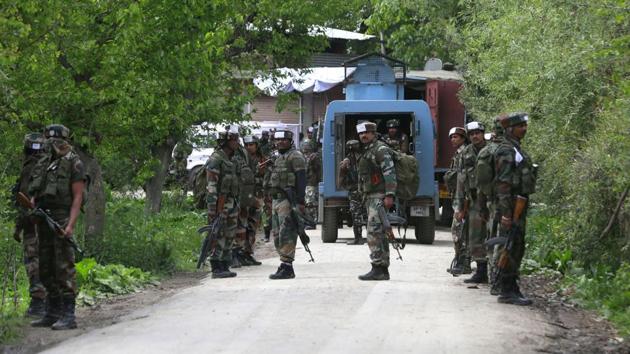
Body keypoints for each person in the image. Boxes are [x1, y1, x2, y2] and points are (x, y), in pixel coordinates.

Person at [29, 125, 86, 330]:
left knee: (63, 267)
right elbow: (36, 189)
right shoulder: (44, 162)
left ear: (66, 140)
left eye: (57, 140)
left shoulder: (74, 162)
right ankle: (51, 311)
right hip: (43, 217)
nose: (53, 144)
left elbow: (78, 196)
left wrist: (70, 225)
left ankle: (68, 315)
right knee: (45, 266)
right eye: (49, 140)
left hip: (61, 217)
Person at [494, 113, 537, 305]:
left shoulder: (516, 148)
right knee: (510, 246)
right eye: (521, 126)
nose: (525, 129)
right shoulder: (506, 150)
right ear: (510, 129)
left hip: (519, 203)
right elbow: (503, 184)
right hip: (511, 205)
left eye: (526, 125)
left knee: (517, 246)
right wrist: (506, 213)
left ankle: (512, 286)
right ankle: (506, 288)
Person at [356, 122, 397, 281]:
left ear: (374, 133)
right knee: (379, 233)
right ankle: (382, 269)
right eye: (361, 134)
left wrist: (390, 195)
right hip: (371, 196)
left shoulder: (380, 149)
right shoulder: (368, 150)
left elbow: (389, 172)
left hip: (379, 196)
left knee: (373, 232)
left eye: (367, 133)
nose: (363, 136)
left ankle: (377, 266)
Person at [13, 133, 47, 317]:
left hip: (33, 221)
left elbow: (24, 200)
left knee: (33, 260)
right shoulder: (50, 165)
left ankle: (38, 303)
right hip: (49, 220)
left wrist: (18, 226)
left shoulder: (31, 167)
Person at [268, 130, 306, 279]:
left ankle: (287, 267)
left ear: (290, 141)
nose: (280, 142)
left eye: (284, 139)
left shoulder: (295, 156)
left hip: (288, 200)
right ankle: (283, 264)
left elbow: (301, 179)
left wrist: (300, 201)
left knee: (287, 233)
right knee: (277, 234)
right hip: (276, 200)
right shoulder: (279, 158)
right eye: (278, 140)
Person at [204, 125, 241, 279]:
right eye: (234, 140)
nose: (237, 143)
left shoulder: (232, 159)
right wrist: (213, 209)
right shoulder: (216, 159)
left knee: (230, 233)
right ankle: (216, 266)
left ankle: (225, 263)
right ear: (227, 141)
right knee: (218, 234)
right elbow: (211, 186)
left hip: (231, 202)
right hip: (219, 203)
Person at [455, 122, 488, 284]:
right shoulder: (465, 154)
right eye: (472, 133)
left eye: (478, 133)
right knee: (475, 236)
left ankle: (497, 271)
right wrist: (459, 206)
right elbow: (461, 180)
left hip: (492, 200)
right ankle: (481, 270)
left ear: (483, 133)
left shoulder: (491, 150)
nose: (475, 136)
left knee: (494, 235)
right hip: (474, 201)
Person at [232, 132, 261, 267]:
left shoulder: (261, 158)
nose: (249, 147)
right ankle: (238, 252)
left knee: (252, 226)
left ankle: (247, 253)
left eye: (252, 145)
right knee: (241, 225)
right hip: (245, 197)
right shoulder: (241, 158)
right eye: (247, 145)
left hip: (256, 196)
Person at [444, 127, 470, 275]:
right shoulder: (459, 153)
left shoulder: (464, 154)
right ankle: (460, 261)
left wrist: (463, 204)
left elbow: (464, 180)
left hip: (462, 199)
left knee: (460, 232)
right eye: (452, 137)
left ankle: (463, 263)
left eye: (456, 137)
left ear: (462, 138)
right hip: (458, 197)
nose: (453, 139)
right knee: (458, 231)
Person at [339, 140, 366, 245]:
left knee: (357, 214)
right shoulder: (365, 156)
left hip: (356, 190)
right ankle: (367, 237)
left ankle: (359, 238)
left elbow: (341, 177)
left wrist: (344, 186)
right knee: (365, 214)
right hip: (363, 190)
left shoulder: (348, 160)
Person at [301, 139, 321, 226]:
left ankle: (311, 222)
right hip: (304, 183)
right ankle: (307, 221)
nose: (305, 147)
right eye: (304, 145)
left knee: (310, 203)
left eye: (307, 145)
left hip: (311, 183)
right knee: (306, 203)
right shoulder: (301, 156)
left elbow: (317, 169)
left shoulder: (314, 156)